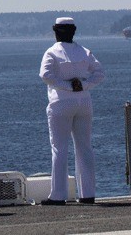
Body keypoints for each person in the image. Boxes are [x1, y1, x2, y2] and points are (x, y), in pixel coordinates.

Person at [39, 16, 105, 205]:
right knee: (84, 147)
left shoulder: (52, 52)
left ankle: (58, 195)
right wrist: (82, 85)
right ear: (73, 31)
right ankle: (87, 194)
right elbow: (100, 74)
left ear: (55, 31)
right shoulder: (85, 52)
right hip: (84, 102)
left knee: (59, 148)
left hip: (61, 102)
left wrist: (67, 86)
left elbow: (45, 75)